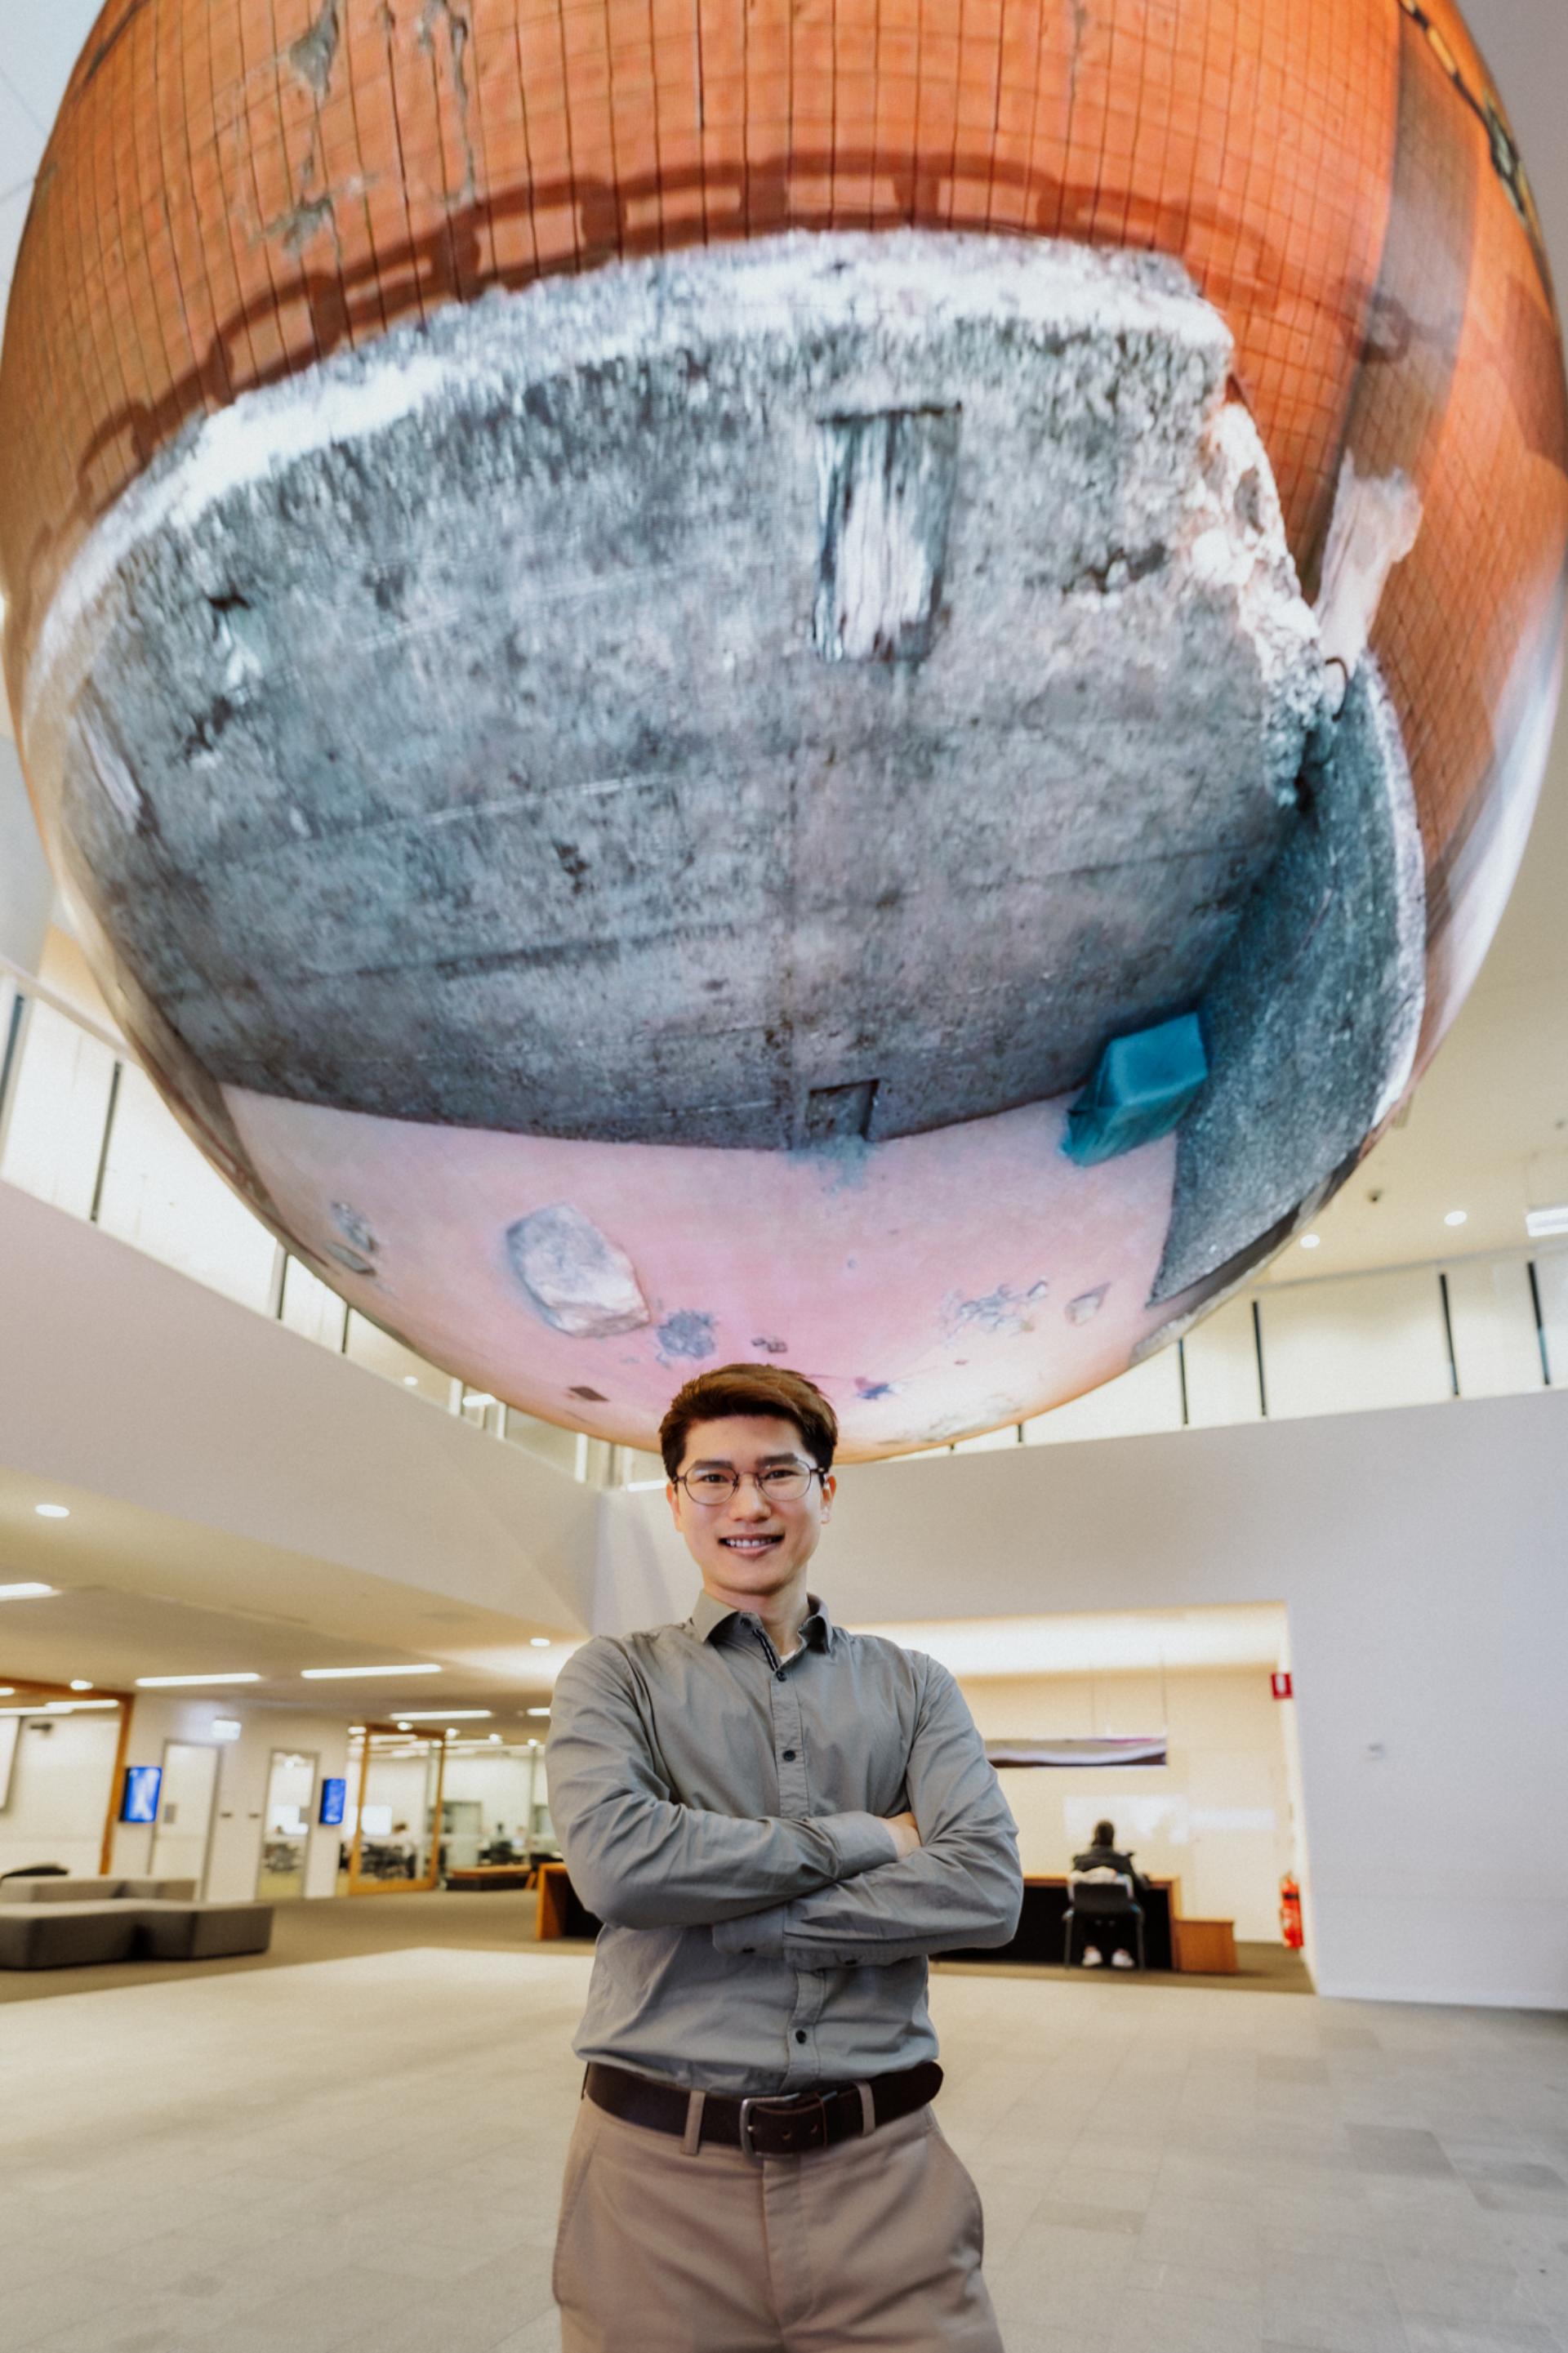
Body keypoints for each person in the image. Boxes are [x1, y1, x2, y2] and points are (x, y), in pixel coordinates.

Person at [546, 1362, 1023, 2352]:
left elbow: (984, 1886)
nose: (747, 1504)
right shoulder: (614, 1677)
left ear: (826, 1490)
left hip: (885, 2180)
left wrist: (736, 1912)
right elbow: (622, 1871)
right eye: (712, 1478)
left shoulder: (913, 1685)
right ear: (676, 1502)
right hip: (654, 2189)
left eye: (779, 1472)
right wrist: (871, 1838)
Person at [1070, 1817, 1149, 1969]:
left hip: (1086, 1911)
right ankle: (1122, 1952)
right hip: (1121, 1911)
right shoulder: (1121, 1860)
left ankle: (1090, 1949)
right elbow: (1139, 1885)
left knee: (1078, 1907)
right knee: (1135, 1908)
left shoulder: (1081, 1861)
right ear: (1113, 1836)